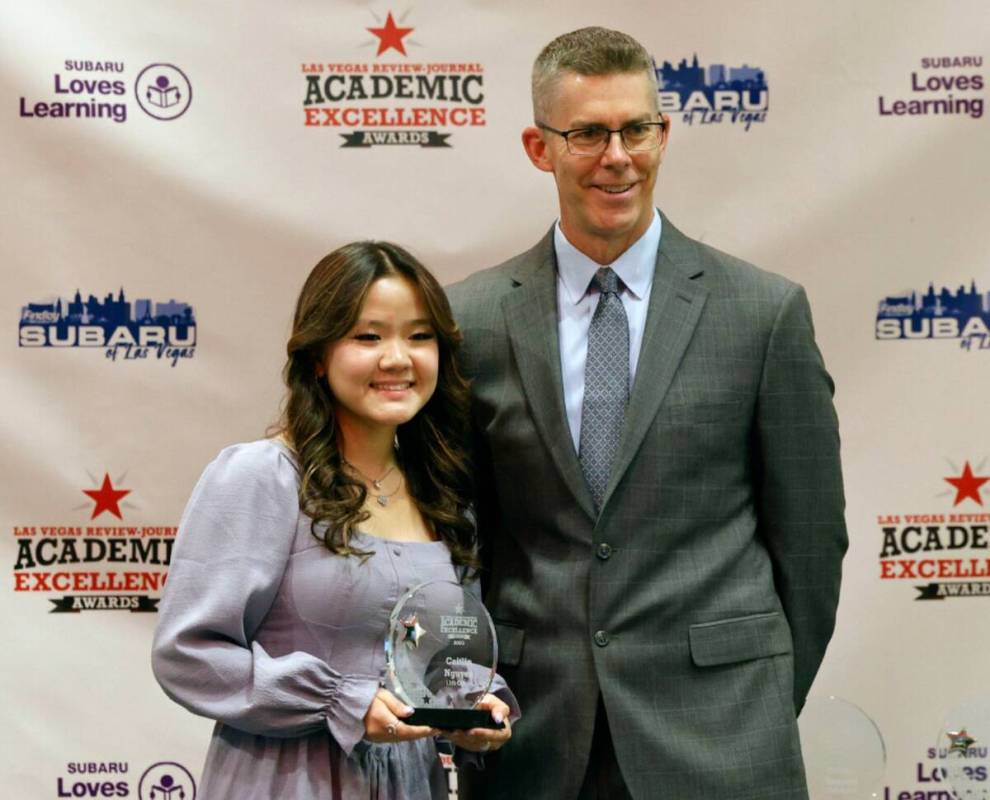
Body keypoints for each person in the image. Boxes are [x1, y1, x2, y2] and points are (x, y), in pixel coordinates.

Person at [446, 27, 847, 800]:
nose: (617, 156)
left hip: (723, 737)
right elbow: (458, 532)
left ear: (663, 134)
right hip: (532, 739)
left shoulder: (763, 313)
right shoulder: (473, 321)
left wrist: (760, 694)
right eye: (588, 133)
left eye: (637, 129)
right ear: (539, 147)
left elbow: (811, 538)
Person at [152, 241, 515, 800]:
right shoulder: (263, 476)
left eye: (420, 336)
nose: (397, 358)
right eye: (368, 337)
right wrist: (340, 701)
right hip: (284, 781)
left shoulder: (446, 497)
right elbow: (187, 653)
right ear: (318, 356)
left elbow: (447, 657)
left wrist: (476, 706)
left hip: (411, 783)